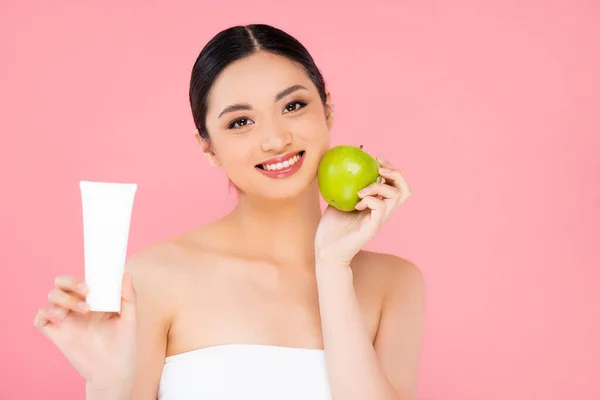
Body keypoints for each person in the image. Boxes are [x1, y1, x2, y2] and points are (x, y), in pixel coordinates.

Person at [33, 23, 425, 400]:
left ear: (328, 111)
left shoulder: (394, 284)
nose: (275, 139)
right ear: (208, 147)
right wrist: (107, 385)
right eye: (240, 121)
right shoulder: (155, 277)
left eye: (293, 105)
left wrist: (332, 267)